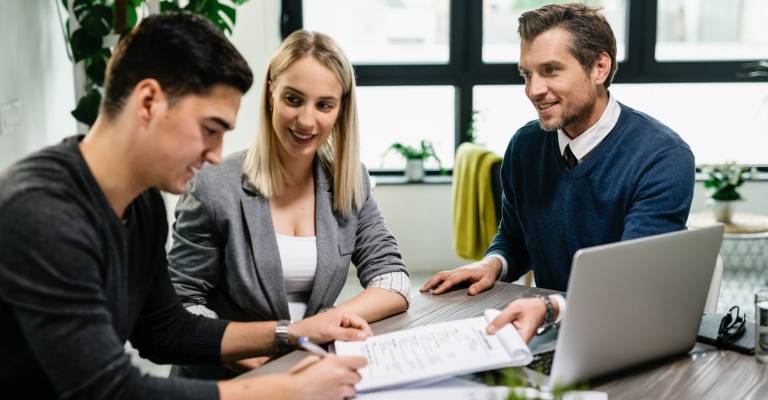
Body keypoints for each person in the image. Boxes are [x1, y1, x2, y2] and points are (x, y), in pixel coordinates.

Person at [0, 12, 370, 400]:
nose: (215, 156)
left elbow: (165, 331)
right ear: (148, 102)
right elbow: (108, 392)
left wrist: (294, 332)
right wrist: (287, 389)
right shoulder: (41, 213)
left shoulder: (141, 203)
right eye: (209, 130)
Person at [421, 3, 695, 342]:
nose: (533, 90)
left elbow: (632, 281)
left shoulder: (662, 156)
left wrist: (552, 308)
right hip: (553, 332)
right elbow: (515, 237)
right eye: (526, 74)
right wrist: (492, 264)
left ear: (599, 67)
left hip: (629, 334)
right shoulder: (525, 146)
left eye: (550, 70)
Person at [168, 29, 410, 379]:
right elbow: (183, 304)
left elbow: (393, 281)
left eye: (324, 105)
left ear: (340, 109)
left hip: (311, 370)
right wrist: (268, 364)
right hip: (227, 378)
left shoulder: (350, 180)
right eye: (293, 100)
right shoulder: (214, 185)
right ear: (271, 94)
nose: (307, 121)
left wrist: (320, 325)